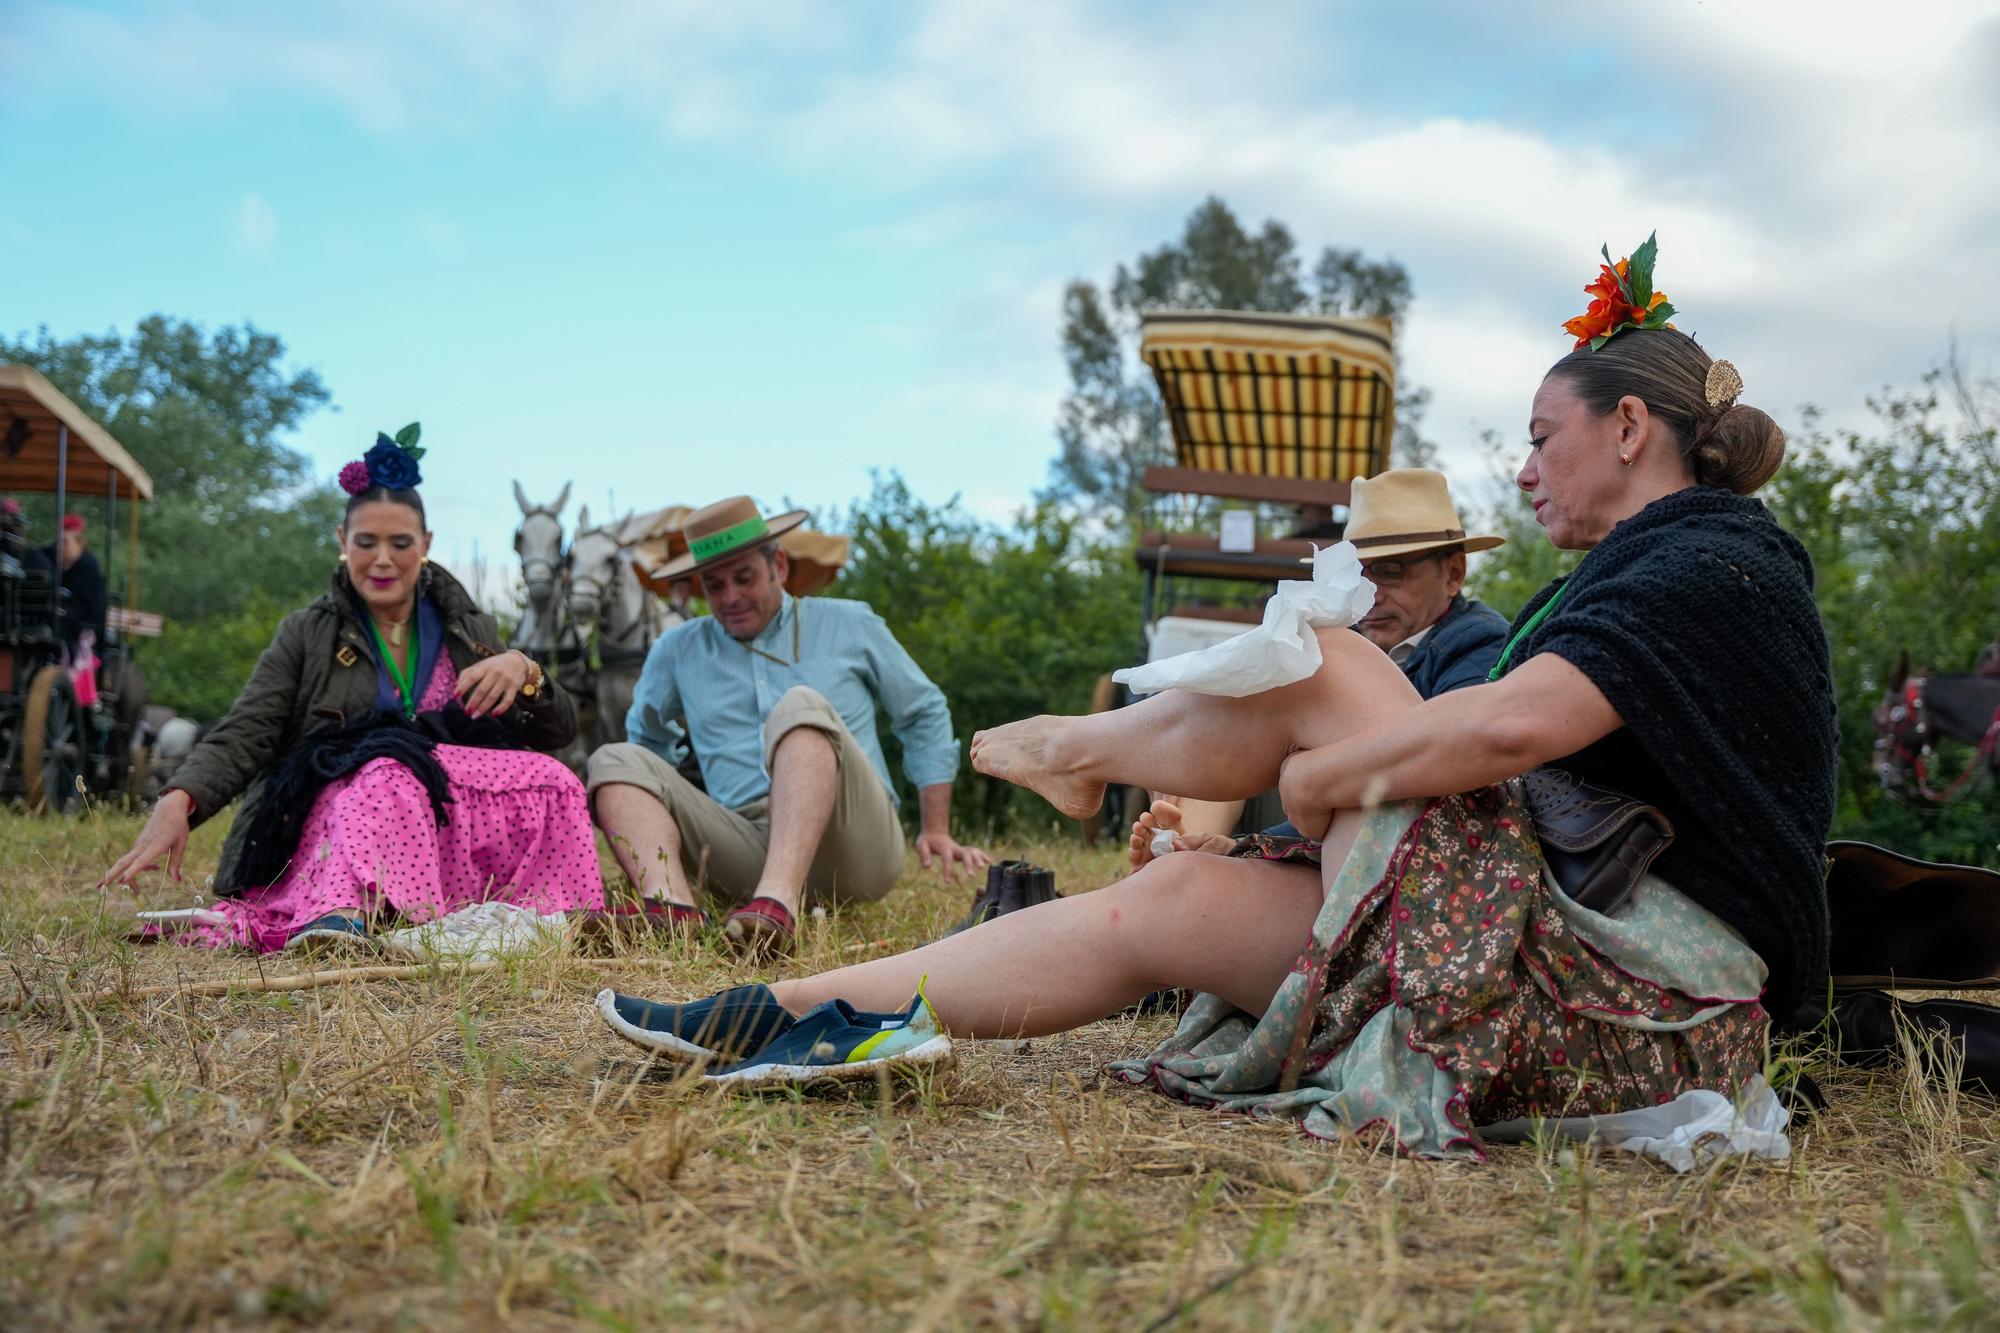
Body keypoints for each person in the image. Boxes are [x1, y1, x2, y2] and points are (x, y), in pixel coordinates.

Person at [595, 242, 1839, 1160]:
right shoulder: (1639, 569)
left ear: (1628, 427)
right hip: (1541, 966)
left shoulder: (1716, 556)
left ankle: (1090, 748)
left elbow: (1516, 730)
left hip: (1646, 1002)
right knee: (1174, 895)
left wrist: (1310, 783)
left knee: (1329, 667)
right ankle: (787, 1013)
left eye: (1537, 437)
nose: (1521, 470)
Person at [101, 426, 606, 951]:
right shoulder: (308, 632)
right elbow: (247, 730)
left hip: (441, 822)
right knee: (387, 770)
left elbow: (556, 733)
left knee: (553, 778)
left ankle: (550, 919)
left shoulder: (468, 631)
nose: (383, 559)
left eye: (400, 543)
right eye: (367, 542)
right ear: (344, 544)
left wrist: (526, 671)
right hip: (343, 801)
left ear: (426, 547)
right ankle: (341, 916)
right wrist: (178, 800)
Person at [587, 495, 989, 956]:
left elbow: (923, 712)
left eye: (744, 578)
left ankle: (776, 907)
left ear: (777, 565)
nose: (730, 597)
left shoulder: (851, 622)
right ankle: (671, 911)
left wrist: (935, 827)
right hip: (745, 844)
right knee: (613, 759)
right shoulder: (676, 649)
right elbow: (649, 747)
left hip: (855, 845)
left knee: (799, 705)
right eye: (714, 586)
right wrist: (657, 834)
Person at [1170, 467, 1510, 839]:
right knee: (1229, 720)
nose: (1370, 595)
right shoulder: (1342, 640)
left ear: (1453, 574)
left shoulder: (1480, 645)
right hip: (1326, 825)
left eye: (1391, 572)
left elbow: (1436, 777)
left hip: (1391, 846)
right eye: (1355, 576)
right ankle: (1178, 846)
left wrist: (1255, 845)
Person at [43, 513, 107, 652]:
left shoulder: (90, 566)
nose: (59, 547)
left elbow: (95, 608)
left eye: (65, 542)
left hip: (78, 627)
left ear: (79, 543)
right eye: (58, 542)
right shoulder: (48, 556)